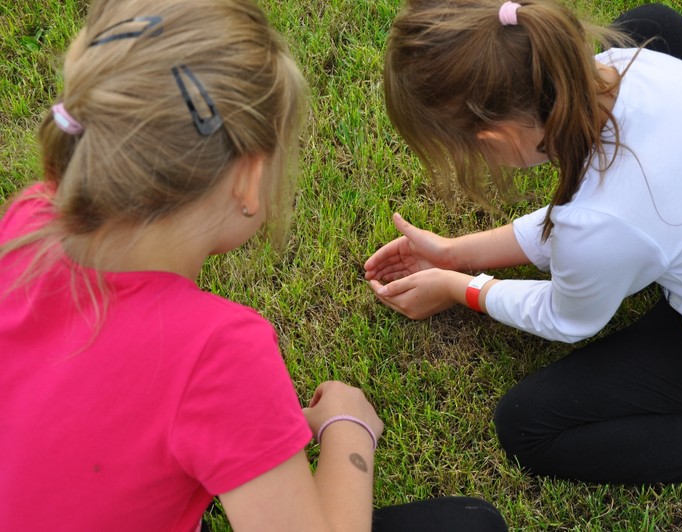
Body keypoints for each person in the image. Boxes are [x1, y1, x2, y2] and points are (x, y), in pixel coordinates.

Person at [0, 1, 509, 531]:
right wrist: (348, 427)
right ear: (247, 179)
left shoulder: (29, 220)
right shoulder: (216, 353)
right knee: (471, 524)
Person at [365, 0, 682, 529]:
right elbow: (593, 222)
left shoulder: (602, 223)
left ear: (495, 139)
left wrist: (461, 286)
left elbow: (567, 316)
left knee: (528, 426)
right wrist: (457, 252)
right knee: (650, 21)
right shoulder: (630, 63)